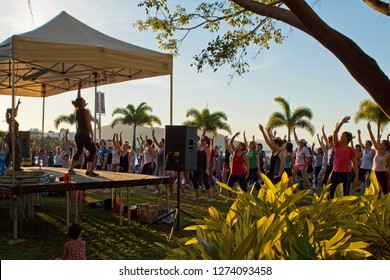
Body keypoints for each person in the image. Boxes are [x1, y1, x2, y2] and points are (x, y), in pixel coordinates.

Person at [68, 81, 98, 177]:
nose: (86, 101)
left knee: (79, 151)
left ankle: (71, 169)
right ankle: (89, 170)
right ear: (83, 103)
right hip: (84, 134)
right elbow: (88, 124)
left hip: (78, 135)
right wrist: (92, 135)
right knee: (93, 150)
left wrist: (79, 89)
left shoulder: (77, 111)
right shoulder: (85, 111)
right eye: (84, 100)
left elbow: (78, 99)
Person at [329, 116, 358, 198]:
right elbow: (335, 133)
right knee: (332, 193)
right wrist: (341, 122)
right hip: (335, 172)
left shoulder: (351, 150)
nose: (341, 137)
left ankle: (344, 209)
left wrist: (356, 176)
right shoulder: (337, 146)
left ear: (348, 139)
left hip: (345, 174)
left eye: (344, 136)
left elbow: (354, 164)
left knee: (344, 193)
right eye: (341, 135)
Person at [367, 122, 390, 196]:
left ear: (386, 146)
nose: (380, 144)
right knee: (373, 190)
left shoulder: (387, 155)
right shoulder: (377, 150)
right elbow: (373, 139)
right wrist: (369, 130)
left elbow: (389, 167)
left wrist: (389, 178)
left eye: (382, 143)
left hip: (382, 173)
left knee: (385, 190)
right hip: (374, 172)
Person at [191, 136, 214, 201]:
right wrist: (204, 132)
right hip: (197, 166)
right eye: (201, 140)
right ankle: (197, 195)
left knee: (205, 180)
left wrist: (207, 169)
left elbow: (208, 160)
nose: (202, 141)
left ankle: (210, 196)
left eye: (203, 140)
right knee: (194, 179)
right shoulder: (199, 147)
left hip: (204, 167)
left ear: (207, 141)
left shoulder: (207, 149)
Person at [4, 98, 23, 171]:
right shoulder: (11, 120)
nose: (16, 113)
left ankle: (7, 164)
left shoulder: (12, 119)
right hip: (12, 137)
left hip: (11, 137)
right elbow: (11, 130)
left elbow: (15, 111)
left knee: (12, 151)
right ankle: (15, 166)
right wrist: (13, 138)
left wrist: (18, 104)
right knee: (18, 150)